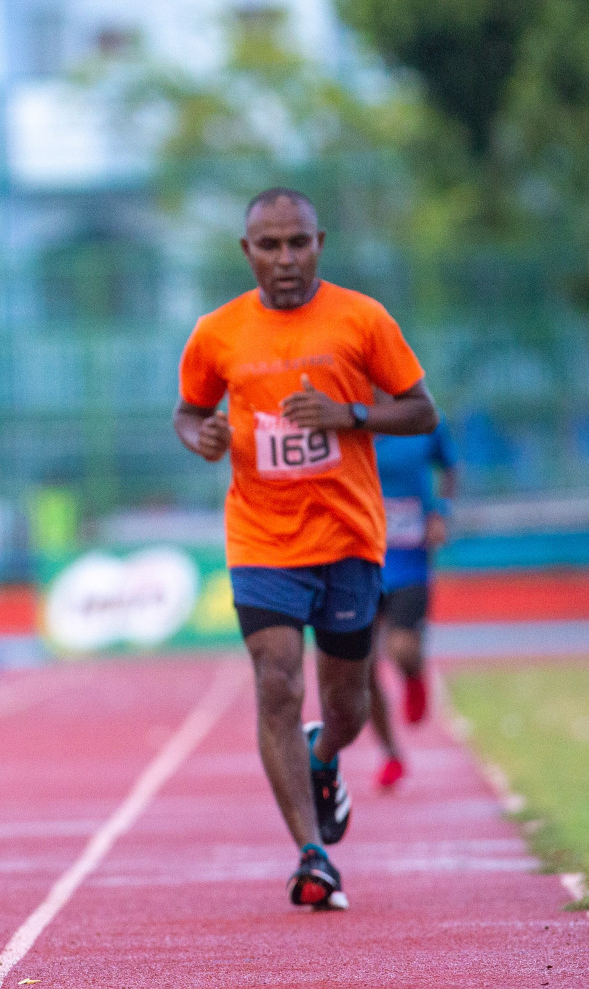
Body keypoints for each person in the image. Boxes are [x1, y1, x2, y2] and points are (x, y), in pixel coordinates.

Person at [173, 188, 437, 911]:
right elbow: (190, 410)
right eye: (269, 245)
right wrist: (204, 438)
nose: (285, 259)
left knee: (347, 705)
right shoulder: (218, 332)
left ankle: (325, 756)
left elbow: (421, 410)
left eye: (297, 244)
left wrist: (348, 414)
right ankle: (312, 854)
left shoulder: (362, 319)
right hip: (261, 537)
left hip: (349, 537)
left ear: (319, 242)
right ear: (247, 251)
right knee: (278, 681)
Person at [366, 417, 458, 788]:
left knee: (401, 648)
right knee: (363, 668)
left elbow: (449, 468)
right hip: (360, 560)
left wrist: (441, 511)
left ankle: (413, 671)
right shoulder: (345, 416)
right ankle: (390, 754)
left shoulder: (422, 418)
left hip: (410, 559)